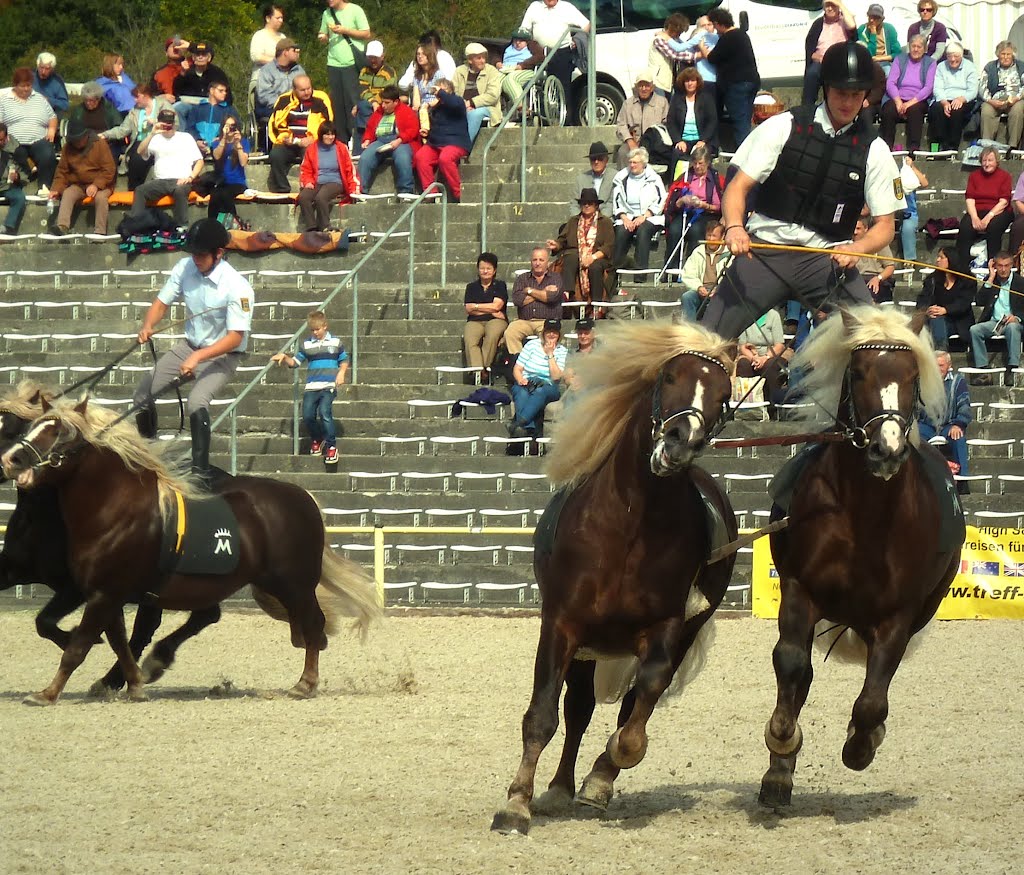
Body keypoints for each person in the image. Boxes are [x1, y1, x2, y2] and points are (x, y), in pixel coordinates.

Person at [702, 42, 904, 340]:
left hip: (825, 260)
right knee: (702, 344)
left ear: (865, 96)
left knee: (876, 341)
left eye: (855, 95)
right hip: (764, 252)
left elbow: (885, 226)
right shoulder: (782, 126)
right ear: (825, 88)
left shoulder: (876, 150)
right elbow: (737, 187)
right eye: (840, 93)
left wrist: (857, 249)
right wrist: (734, 227)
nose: (847, 102)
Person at [134, 219, 254, 484]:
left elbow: (235, 337)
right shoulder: (185, 267)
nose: (195, 259)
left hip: (223, 354)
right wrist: (148, 325)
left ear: (218, 253)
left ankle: (200, 474)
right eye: (193, 253)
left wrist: (199, 357)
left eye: (201, 254)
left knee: (196, 402)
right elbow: (162, 302)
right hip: (190, 345)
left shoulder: (237, 287)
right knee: (142, 394)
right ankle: (149, 460)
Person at [270, 310, 348, 464]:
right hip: (312, 386)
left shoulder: (336, 343)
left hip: (328, 385)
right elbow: (296, 363)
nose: (315, 333)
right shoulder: (306, 344)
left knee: (325, 412)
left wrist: (341, 373)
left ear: (325, 326)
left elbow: (344, 359)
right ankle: (318, 439)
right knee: (307, 416)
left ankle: (331, 446)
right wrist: (285, 358)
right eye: (312, 330)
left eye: (317, 329)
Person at [519, 0, 591, 125]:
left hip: (561, 52)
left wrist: (577, 39)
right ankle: (542, 120)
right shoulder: (534, 7)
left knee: (563, 88)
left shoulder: (566, 7)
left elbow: (586, 24)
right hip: (539, 53)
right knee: (538, 86)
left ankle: (566, 123)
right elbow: (524, 29)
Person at [130, 108, 204, 228]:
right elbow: (140, 151)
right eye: (165, 124)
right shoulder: (155, 138)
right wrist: (152, 133)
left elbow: (199, 161)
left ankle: (182, 226)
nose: (168, 126)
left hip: (182, 179)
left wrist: (190, 177)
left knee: (180, 191)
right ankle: (134, 225)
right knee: (140, 190)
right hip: (160, 181)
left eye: (170, 124)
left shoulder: (185, 137)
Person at [547, 187, 615, 306]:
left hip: (597, 256)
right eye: (584, 203)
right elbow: (562, 240)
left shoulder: (605, 222)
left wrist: (592, 257)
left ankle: (597, 303)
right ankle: (567, 294)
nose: (587, 206)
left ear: (596, 205)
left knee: (595, 267)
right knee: (570, 257)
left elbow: (609, 246)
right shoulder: (573, 221)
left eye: (590, 203)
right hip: (576, 253)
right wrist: (556, 245)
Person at [47, 119, 116, 235]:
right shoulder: (68, 148)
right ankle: (62, 226)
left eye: (78, 140)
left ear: (86, 136)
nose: (77, 143)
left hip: (102, 185)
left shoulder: (100, 144)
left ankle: (100, 232)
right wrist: (56, 189)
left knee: (100, 198)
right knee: (68, 193)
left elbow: (109, 169)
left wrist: (96, 185)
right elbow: (62, 171)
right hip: (78, 183)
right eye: (74, 140)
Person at [267, 75, 334, 193]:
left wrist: (314, 138)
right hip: (289, 141)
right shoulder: (283, 100)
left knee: (310, 153)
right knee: (275, 155)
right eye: (303, 90)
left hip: (310, 141)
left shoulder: (320, 100)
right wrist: (285, 137)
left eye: (309, 88)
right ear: (294, 89)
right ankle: (282, 189)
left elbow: (327, 124)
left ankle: (311, 187)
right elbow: (275, 123)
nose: (307, 92)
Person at [102, 83, 174, 191]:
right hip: (140, 142)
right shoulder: (135, 111)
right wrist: (105, 134)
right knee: (136, 159)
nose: (135, 100)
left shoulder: (164, 105)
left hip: (160, 141)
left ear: (145, 95)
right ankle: (133, 191)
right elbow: (123, 129)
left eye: (137, 97)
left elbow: (175, 125)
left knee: (145, 158)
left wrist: (156, 123)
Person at [705, 8, 760, 147]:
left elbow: (712, 58)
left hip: (736, 85)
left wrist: (701, 47)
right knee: (745, 120)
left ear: (718, 23)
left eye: (714, 25)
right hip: (751, 81)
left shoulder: (728, 37)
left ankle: (743, 155)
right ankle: (749, 149)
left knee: (740, 123)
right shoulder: (742, 35)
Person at [318, 0, 370, 146]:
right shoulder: (327, 13)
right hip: (333, 63)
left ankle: (357, 138)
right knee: (337, 103)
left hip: (351, 63)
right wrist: (323, 37)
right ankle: (341, 140)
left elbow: (366, 33)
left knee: (352, 102)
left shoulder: (355, 10)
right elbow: (323, 32)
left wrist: (345, 30)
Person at [917, 350, 972, 490]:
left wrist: (959, 424)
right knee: (913, 436)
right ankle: (918, 477)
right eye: (934, 365)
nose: (938, 369)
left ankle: (962, 482)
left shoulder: (958, 382)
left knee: (958, 436)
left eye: (941, 365)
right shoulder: (922, 382)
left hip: (949, 425)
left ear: (949, 366)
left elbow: (964, 406)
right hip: (926, 425)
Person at [610, 146, 666, 280]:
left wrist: (645, 216)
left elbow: (660, 199)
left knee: (643, 231)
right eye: (630, 162)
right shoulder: (621, 177)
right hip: (627, 215)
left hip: (649, 216)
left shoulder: (654, 178)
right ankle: (614, 273)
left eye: (635, 162)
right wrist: (624, 218)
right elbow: (617, 201)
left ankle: (640, 275)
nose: (632, 165)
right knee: (621, 231)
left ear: (643, 163)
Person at [969, 252, 1024, 386]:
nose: (1003, 269)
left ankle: (1012, 369)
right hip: (995, 322)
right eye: (1000, 266)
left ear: (1011, 265)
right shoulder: (992, 280)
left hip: (1014, 322)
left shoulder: (1020, 283)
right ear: (995, 266)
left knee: (1012, 327)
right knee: (975, 330)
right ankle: (983, 371)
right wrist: (990, 278)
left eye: (1006, 266)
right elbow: (979, 300)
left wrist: (1017, 318)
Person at [0, 67, 58, 194]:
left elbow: (52, 117)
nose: (26, 89)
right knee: (17, 153)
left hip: (38, 140)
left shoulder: (39, 98)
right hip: (14, 141)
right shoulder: (4, 100)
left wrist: (52, 129)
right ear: (15, 85)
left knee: (47, 155)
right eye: (23, 86)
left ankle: (44, 188)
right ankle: (21, 183)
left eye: (29, 85)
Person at [412, 79, 471, 203]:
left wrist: (440, 93)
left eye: (440, 89)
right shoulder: (435, 108)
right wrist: (427, 133)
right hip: (436, 143)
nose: (437, 92)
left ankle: (459, 193)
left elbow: (453, 103)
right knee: (421, 157)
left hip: (456, 142)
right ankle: (431, 193)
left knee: (445, 159)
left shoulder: (458, 102)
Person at [508, 318, 567, 438]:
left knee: (540, 392)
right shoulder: (532, 345)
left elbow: (556, 377)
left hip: (548, 386)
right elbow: (517, 369)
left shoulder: (562, 351)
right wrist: (521, 380)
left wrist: (550, 354)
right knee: (521, 392)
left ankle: (518, 424)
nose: (551, 334)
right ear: (543, 332)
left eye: (554, 332)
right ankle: (527, 431)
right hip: (527, 382)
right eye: (548, 331)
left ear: (559, 334)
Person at [957, 145, 1012, 267]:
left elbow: (1004, 201)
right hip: (978, 209)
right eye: (984, 161)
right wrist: (975, 217)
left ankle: (993, 265)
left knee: (993, 228)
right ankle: (962, 266)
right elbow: (970, 198)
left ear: (997, 161)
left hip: (999, 210)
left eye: (990, 160)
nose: (987, 164)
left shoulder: (1005, 176)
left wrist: (988, 217)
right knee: (965, 227)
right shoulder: (974, 176)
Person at [664, 144, 721, 263]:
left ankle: (691, 267)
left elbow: (718, 206)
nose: (697, 166)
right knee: (674, 230)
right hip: (685, 212)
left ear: (707, 163)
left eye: (700, 163)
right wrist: (682, 200)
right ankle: (671, 270)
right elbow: (673, 204)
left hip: (706, 214)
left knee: (696, 230)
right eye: (695, 163)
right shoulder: (685, 177)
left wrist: (703, 205)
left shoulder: (715, 178)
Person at [297, 121, 357, 231]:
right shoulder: (312, 148)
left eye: (332, 134)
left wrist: (353, 188)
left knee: (321, 197)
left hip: (335, 182)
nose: (330, 137)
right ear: (321, 135)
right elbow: (305, 169)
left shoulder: (341, 148)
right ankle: (311, 228)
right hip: (317, 181)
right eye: (327, 134)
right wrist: (308, 182)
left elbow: (349, 169)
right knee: (303, 197)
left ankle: (325, 226)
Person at [879, 35, 935, 154]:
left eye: (919, 47)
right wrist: (898, 101)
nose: (915, 49)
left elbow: (928, 87)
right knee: (888, 110)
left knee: (915, 111)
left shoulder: (930, 62)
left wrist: (909, 103)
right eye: (913, 46)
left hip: (918, 99)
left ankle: (913, 148)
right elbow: (891, 83)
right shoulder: (900, 59)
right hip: (898, 97)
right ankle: (886, 148)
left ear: (924, 49)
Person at [358, 85, 418, 195]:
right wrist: (367, 140)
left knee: (402, 158)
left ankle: (406, 190)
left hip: (400, 141)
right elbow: (370, 128)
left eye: (387, 102)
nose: (383, 105)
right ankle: (361, 191)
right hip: (381, 141)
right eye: (382, 102)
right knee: (365, 158)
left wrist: (400, 140)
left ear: (395, 102)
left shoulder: (406, 111)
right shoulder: (379, 112)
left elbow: (413, 130)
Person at [504, 246, 564, 353]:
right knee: (510, 333)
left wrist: (529, 291)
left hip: (546, 321)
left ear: (547, 262)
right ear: (531, 261)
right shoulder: (522, 279)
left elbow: (551, 298)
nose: (537, 263)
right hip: (525, 321)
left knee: (549, 335)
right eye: (535, 260)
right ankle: (519, 362)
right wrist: (542, 292)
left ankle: (544, 363)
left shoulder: (556, 278)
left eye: (541, 260)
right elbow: (518, 300)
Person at [915, 247, 976, 350]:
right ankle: (940, 351)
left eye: (941, 257)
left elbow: (963, 303)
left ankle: (939, 352)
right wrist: (928, 309)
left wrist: (945, 310)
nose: (937, 260)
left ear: (951, 259)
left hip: (958, 321)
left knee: (937, 320)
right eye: (938, 257)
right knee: (936, 319)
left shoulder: (967, 280)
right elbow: (922, 299)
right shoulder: (932, 279)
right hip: (934, 319)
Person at [463, 252, 509, 381]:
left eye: (488, 268)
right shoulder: (471, 287)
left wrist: (476, 306)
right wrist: (489, 309)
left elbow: (497, 306)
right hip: (475, 321)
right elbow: (469, 308)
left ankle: (483, 369)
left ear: (494, 270)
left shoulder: (500, 285)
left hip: (496, 320)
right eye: (482, 268)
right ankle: (480, 371)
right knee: (470, 338)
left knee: (492, 334)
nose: (485, 271)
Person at [666, 67, 718, 176]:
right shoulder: (677, 98)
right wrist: (678, 140)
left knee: (702, 156)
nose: (690, 83)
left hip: (701, 140)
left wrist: (703, 140)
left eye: (692, 80)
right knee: (676, 154)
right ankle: (674, 187)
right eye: (687, 81)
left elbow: (712, 121)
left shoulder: (706, 98)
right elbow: (671, 122)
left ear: (697, 82)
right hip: (683, 141)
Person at [928, 41, 979, 151]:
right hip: (945, 98)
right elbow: (937, 88)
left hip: (963, 99)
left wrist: (962, 99)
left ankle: (952, 146)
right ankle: (938, 145)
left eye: (956, 56)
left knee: (957, 110)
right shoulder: (941, 67)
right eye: (950, 56)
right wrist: (944, 101)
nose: (952, 59)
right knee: (937, 109)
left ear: (961, 56)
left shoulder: (970, 67)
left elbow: (973, 90)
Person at [804, 0, 856, 107]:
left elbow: (852, 26)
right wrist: (814, 56)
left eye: (833, 5)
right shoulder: (818, 23)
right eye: (827, 6)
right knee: (812, 73)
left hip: (840, 60)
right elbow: (809, 46)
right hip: (821, 61)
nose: (830, 8)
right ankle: (806, 108)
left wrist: (840, 4)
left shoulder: (844, 21)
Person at [614, 70, 669, 169]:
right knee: (622, 152)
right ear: (637, 87)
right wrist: (630, 140)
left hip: (655, 144)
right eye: (641, 86)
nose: (644, 89)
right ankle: (623, 182)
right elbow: (621, 124)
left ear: (652, 87)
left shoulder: (662, 102)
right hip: (634, 142)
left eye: (647, 85)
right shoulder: (628, 104)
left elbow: (666, 124)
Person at [736, 305, 787, 411]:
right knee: (744, 365)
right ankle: (746, 409)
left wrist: (764, 358)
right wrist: (754, 358)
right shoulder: (745, 315)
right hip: (750, 354)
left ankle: (772, 408)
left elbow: (779, 345)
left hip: (771, 354)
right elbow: (742, 346)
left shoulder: (773, 315)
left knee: (769, 366)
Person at [678, 221, 729, 321]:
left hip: (721, 292)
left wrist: (719, 289)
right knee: (687, 297)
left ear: (722, 236)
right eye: (708, 235)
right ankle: (690, 329)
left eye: (714, 236)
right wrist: (699, 287)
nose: (710, 239)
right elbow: (688, 274)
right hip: (702, 290)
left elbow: (732, 278)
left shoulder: (729, 253)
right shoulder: (698, 251)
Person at [353, 41, 396, 156]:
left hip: (384, 104)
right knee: (362, 106)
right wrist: (373, 102)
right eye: (370, 57)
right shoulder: (364, 71)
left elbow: (388, 91)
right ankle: (362, 146)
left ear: (382, 56)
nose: (372, 60)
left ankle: (362, 145)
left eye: (375, 57)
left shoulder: (389, 72)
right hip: (368, 105)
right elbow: (362, 90)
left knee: (362, 108)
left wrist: (376, 101)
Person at [453, 43, 502, 144]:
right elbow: (453, 92)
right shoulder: (459, 71)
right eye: (479, 58)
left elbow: (493, 95)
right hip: (463, 106)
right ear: (470, 60)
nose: (483, 60)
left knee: (475, 114)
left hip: (488, 108)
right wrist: (463, 105)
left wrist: (472, 103)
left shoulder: (491, 71)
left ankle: (464, 146)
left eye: (484, 57)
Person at [980, 41, 1024, 146]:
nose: (1005, 57)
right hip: (994, 100)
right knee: (986, 111)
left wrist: (1017, 98)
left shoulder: (1021, 66)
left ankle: (1012, 146)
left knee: (1018, 110)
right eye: (1003, 54)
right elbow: (982, 86)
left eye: (1008, 54)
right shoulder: (990, 67)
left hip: (1014, 100)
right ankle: (987, 145)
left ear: (1012, 55)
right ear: (998, 55)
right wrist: (990, 100)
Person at [207, 117, 250, 223]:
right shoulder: (217, 143)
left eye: (232, 126)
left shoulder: (243, 142)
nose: (230, 129)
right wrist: (224, 139)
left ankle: (234, 221)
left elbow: (243, 162)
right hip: (221, 182)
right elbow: (216, 156)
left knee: (225, 194)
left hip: (237, 183)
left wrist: (238, 144)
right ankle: (212, 224)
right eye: (227, 126)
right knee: (215, 195)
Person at [181, 81, 241, 157]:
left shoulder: (229, 110)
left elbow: (237, 127)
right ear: (212, 91)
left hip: (222, 149)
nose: (224, 93)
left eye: (225, 91)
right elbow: (189, 128)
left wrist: (221, 138)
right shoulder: (197, 108)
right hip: (197, 149)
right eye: (221, 91)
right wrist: (197, 140)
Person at [255, 39, 306, 127]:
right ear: (285, 52)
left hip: (297, 106)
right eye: (294, 50)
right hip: (272, 108)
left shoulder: (299, 70)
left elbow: (306, 88)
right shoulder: (267, 70)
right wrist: (285, 104)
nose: (298, 52)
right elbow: (264, 96)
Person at [174, 42, 233, 109]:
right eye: (197, 54)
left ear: (209, 58)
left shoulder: (217, 73)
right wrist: (182, 73)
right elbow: (176, 91)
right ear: (193, 58)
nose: (200, 57)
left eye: (203, 54)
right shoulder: (187, 72)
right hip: (189, 105)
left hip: (211, 106)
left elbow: (227, 96)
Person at [496, 28, 544, 110]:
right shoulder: (508, 47)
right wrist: (497, 62)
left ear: (527, 41)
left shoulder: (533, 46)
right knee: (494, 81)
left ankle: (521, 106)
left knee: (510, 79)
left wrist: (522, 65)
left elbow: (540, 57)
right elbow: (496, 54)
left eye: (521, 41)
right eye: (515, 40)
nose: (517, 43)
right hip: (505, 69)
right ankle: (494, 107)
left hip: (525, 69)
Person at [853, 217, 896, 302]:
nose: (855, 232)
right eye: (853, 229)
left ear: (866, 229)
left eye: (858, 229)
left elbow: (890, 267)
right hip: (855, 279)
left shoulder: (879, 243)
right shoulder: (845, 245)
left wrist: (878, 278)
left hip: (875, 278)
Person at [649, 13, 691, 99]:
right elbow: (674, 54)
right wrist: (695, 56)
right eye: (678, 32)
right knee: (661, 107)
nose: (679, 34)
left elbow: (684, 48)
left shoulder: (674, 40)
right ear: (672, 28)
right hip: (657, 81)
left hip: (668, 81)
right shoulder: (659, 40)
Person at [568, 141, 613, 217]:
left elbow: (612, 203)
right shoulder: (580, 179)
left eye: (600, 159)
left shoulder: (615, 177)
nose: (596, 162)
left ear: (606, 160)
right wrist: (579, 218)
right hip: (582, 218)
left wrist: (598, 218)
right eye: (593, 159)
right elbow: (574, 203)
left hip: (606, 219)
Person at [0, 123, 30, 235]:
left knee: (19, 197)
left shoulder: (17, 151)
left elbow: (26, 173)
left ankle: (8, 227)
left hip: (8, 186)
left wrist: (17, 177)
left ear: (6, 137)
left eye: (1, 140)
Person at [899, 155, 929, 260]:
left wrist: (911, 167)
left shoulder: (908, 175)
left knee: (907, 229)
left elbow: (925, 183)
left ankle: (910, 262)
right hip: (890, 213)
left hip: (909, 214)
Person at [857, 3, 900, 71]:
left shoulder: (889, 29)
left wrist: (880, 58)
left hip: (885, 61)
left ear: (882, 19)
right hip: (867, 62)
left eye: (875, 18)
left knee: (888, 73)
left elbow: (897, 53)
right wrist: (873, 34)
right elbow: (869, 54)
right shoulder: (862, 30)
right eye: (870, 17)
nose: (871, 20)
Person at [250, 5, 287, 81]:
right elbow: (256, 56)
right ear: (268, 18)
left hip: (281, 81)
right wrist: (278, 62)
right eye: (277, 18)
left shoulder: (283, 37)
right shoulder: (259, 35)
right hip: (262, 80)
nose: (281, 20)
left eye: (282, 18)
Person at [33, 53, 68, 117]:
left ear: (52, 69)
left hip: (48, 117)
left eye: (47, 69)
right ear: (37, 66)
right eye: (41, 68)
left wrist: (48, 100)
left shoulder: (57, 81)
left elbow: (65, 105)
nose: (43, 72)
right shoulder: (29, 76)